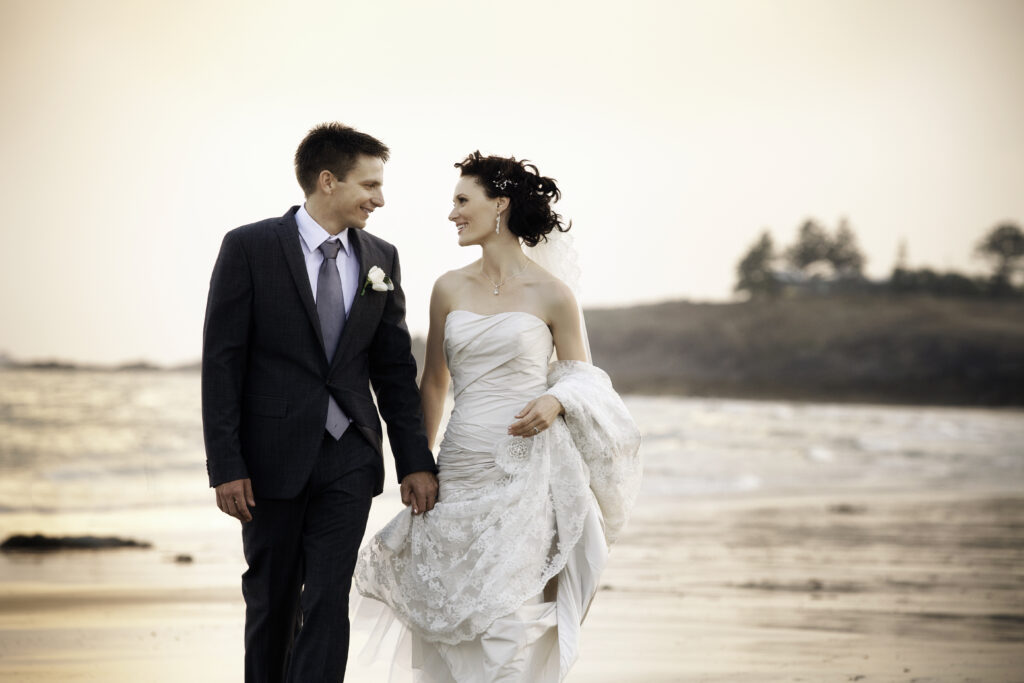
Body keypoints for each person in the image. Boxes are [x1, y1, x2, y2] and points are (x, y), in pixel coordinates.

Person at [354, 152, 642, 681]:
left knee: (508, 619)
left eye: (463, 201)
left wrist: (558, 400)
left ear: (501, 204)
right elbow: (435, 380)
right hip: (461, 466)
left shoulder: (553, 294)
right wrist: (418, 463)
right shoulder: (448, 287)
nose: (453, 214)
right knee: (454, 613)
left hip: (524, 472)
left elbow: (585, 378)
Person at [202, 122, 439, 682]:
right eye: (370, 185)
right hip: (268, 461)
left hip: (350, 458)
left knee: (329, 598)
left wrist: (415, 460)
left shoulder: (382, 257)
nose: (379, 199)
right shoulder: (250, 247)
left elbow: (393, 370)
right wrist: (226, 465)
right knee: (272, 601)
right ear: (327, 181)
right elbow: (222, 363)